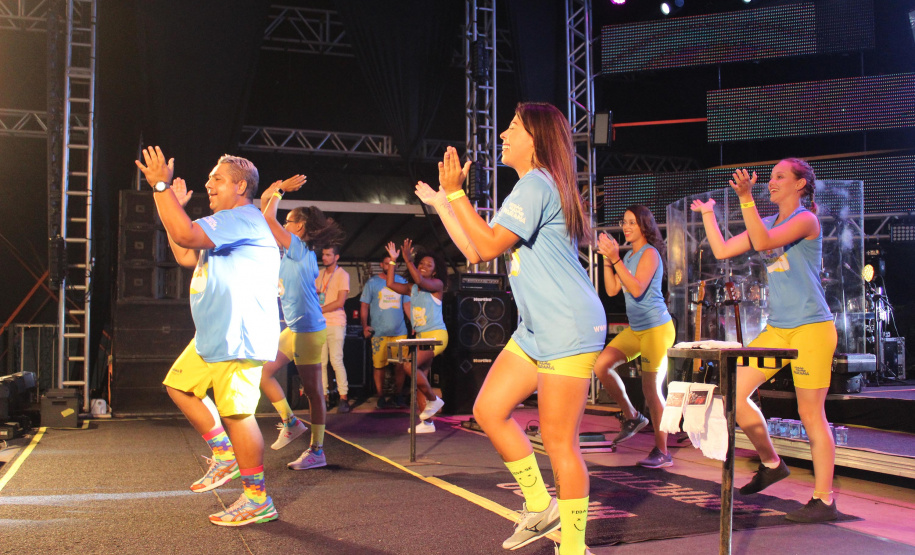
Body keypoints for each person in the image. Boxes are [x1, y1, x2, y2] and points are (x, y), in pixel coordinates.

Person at [415, 102, 605, 555]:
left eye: (512, 127)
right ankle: (541, 506)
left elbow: (482, 248)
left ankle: (574, 549)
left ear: (536, 139)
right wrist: (445, 201)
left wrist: (456, 195)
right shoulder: (531, 187)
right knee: (489, 410)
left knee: (560, 443)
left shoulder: (537, 184)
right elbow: (471, 246)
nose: (502, 133)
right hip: (538, 328)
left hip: (567, 324)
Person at [134, 146, 280, 526]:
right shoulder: (226, 224)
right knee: (179, 386)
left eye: (217, 179)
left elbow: (185, 232)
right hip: (214, 334)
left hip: (239, 333)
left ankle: (257, 500)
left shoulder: (241, 219)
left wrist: (161, 187)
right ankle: (225, 455)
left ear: (241, 186)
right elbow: (185, 252)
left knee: (237, 415)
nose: (208, 184)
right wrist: (169, 204)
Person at [691, 158, 839, 523]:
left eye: (779, 177)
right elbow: (724, 250)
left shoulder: (806, 220)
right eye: (770, 177)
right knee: (732, 393)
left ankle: (824, 500)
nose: (771, 182)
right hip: (780, 327)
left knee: (810, 414)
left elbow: (763, 241)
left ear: (801, 184)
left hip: (812, 328)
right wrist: (709, 214)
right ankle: (772, 463)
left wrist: (745, 199)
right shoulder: (768, 220)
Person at [258, 177, 346, 471]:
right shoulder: (291, 250)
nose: (285, 222)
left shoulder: (298, 248)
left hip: (308, 329)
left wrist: (279, 192)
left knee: (313, 392)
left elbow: (268, 217)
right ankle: (291, 422)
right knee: (264, 374)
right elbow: (265, 213)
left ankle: (317, 451)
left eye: (290, 220)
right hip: (294, 328)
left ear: (301, 227)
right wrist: (272, 192)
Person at [594, 206, 676, 468]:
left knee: (651, 390)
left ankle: (663, 451)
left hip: (656, 329)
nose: (626, 227)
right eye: (624, 221)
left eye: (631, 222)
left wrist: (616, 259)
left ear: (644, 226)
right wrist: (609, 261)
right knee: (601, 366)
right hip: (637, 330)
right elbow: (612, 288)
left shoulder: (650, 254)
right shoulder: (628, 256)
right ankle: (632, 416)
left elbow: (638, 288)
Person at [383, 239, 448, 433]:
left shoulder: (437, 284)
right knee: (420, 379)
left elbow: (420, 280)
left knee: (409, 365)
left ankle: (434, 399)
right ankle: (427, 423)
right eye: (421, 264)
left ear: (435, 271)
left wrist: (408, 260)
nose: (424, 267)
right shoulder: (412, 288)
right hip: (421, 337)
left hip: (436, 336)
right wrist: (394, 261)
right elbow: (390, 284)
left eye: (429, 265)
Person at [360, 254, 412, 409]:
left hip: (399, 332)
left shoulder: (402, 282)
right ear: (382, 265)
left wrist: (415, 324)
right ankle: (381, 396)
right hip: (379, 333)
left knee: (400, 365)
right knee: (379, 366)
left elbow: (407, 306)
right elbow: (364, 306)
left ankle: (398, 396)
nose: (390, 266)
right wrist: (364, 326)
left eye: (392, 263)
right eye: (387, 263)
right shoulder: (373, 283)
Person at [317, 244, 351, 413]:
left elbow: (340, 302)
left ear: (336, 257)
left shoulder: (342, 275)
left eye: (328, 255)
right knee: (321, 362)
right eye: (323, 254)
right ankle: (324, 397)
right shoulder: (320, 274)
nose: (324, 258)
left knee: (336, 360)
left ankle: (344, 398)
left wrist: (319, 309)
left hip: (336, 322)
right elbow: (316, 295)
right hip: (320, 323)